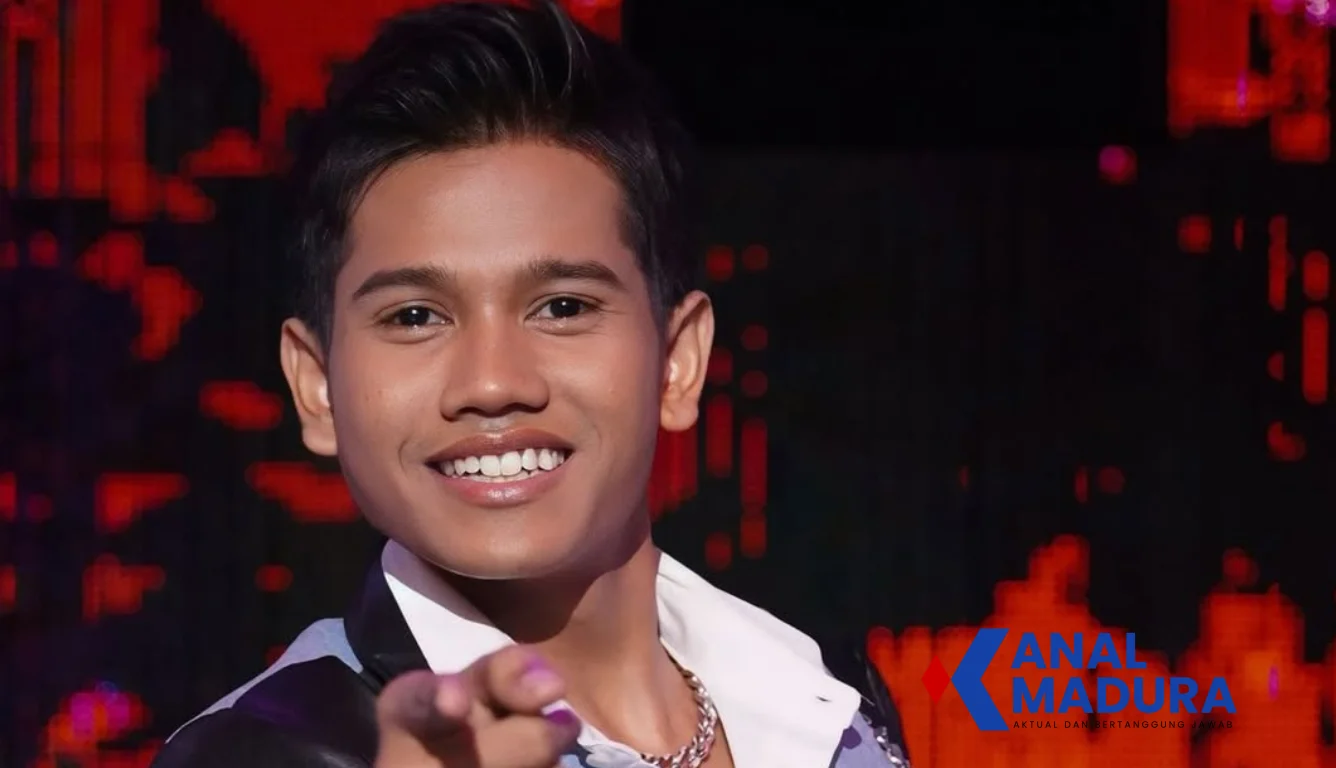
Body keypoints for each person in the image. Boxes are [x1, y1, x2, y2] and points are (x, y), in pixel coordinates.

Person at [151, 2, 910, 766]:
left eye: (563, 308)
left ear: (678, 359)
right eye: (415, 317)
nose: (491, 383)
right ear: (316, 386)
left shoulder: (826, 699)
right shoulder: (263, 753)